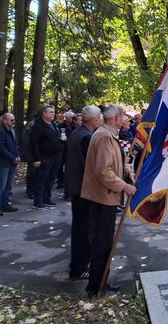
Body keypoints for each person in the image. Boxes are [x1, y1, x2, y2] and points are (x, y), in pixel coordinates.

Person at [80, 105, 137, 297]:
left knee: (104, 243)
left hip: (106, 197)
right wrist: (125, 186)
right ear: (116, 118)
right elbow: (103, 171)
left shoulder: (108, 134)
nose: (126, 120)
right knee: (101, 243)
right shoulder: (104, 136)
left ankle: (101, 282)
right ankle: (96, 287)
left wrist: (128, 172)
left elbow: (116, 163)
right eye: (123, 117)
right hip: (102, 198)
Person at [65, 105, 101, 280]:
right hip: (83, 190)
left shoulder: (77, 133)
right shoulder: (87, 137)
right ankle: (79, 267)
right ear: (93, 120)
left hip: (77, 187)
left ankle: (78, 265)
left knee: (81, 228)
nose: (101, 119)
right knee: (84, 230)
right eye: (99, 117)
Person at [30, 105, 64, 209]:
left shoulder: (53, 124)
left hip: (55, 156)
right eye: (51, 112)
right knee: (41, 179)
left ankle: (47, 197)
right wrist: (36, 159)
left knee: (51, 178)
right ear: (44, 113)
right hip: (44, 156)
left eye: (53, 112)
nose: (53, 114)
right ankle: (38, 200)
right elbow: (34, 143)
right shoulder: (38, 126)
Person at [0, 113, 21, 216]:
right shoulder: (0, 131)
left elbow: (15, 145)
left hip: (12, 162)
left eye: (14, 120)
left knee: (9, 185)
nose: (13, 122)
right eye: (11, 120)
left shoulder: (12, 131)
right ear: (5, 121)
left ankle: (6, 203)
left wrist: (17, 156)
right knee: (1, 185)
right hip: (2, 162)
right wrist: (12, 158)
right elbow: (0, 148)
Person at [56, 111, 75, 192]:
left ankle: (66, 181)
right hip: (62, 148)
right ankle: (60, 181)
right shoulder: (60, 126)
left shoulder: (73, 126)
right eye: (70, 118)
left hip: (69, 149)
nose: (72, 119)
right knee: (60, 166)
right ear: (66, 118)